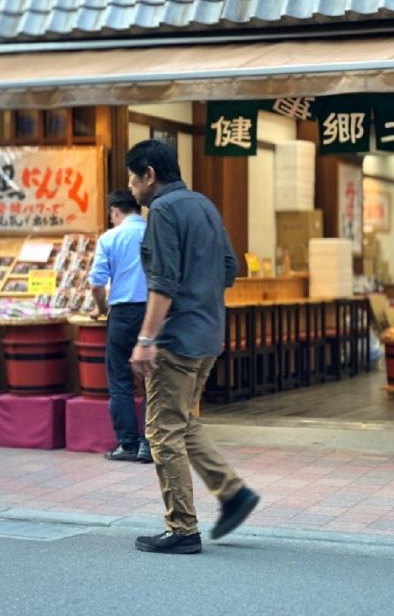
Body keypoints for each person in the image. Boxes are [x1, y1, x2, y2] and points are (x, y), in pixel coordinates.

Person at [126, 139, 259, 555]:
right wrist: (201, 300)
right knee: (182, 422)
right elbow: (229, 268)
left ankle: (182, 528)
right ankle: (232, 492)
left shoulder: (163, 211)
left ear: (149, 174)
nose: (131, 187)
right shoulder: (204, 204)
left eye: (133, 177)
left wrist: (146, 339)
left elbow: (162, 282)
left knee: (162, 433)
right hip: (209, 334)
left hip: (176, 339)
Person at [89, 190, 152, 464]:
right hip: (154, 312)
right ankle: (149, 444)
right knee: (154, 381)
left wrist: (100, 309)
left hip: (123, 314)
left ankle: (127, 444)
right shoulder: (155, 233)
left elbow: (96, 284)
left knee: (120, 382)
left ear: (115, 212)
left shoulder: (110, 238)